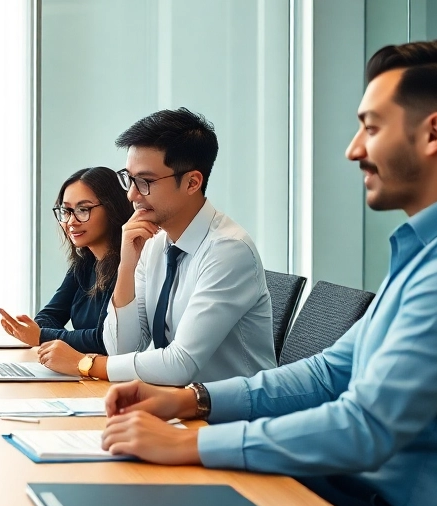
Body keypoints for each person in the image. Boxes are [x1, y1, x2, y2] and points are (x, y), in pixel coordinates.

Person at [100, 41, 437, 506]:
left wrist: (191, 442)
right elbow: (330, 373)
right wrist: (193, 400)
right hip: (340, 490)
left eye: (371, 128)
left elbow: (365, 427)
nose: (354, 149)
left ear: (433, 134)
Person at [57, 109, 276, 382]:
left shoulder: (228, 250)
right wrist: (127, 265)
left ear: (192, 182)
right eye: (130, 179)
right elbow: (121, 348)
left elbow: (180, 363)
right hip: (171, 400)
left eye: (145, 182)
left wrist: (84, 364)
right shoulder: (153, 244)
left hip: (229, 405)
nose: (131, 194)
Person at [0, 166, 129, 355]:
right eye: (66, 210)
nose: (71, 221)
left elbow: (104, 339)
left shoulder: (129, 266)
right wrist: (51, 338)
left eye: (83, 209)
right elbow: (46, 318)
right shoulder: (84, 264)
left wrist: (43, 336)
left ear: (112, 208)